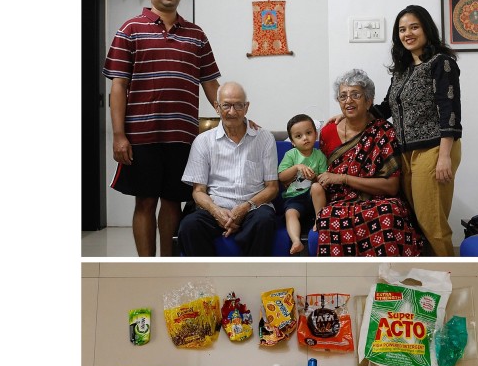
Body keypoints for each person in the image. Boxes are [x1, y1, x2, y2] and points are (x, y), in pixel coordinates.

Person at [103, 0, 221, 256]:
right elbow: (118, 87)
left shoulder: (196, 34)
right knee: (144, 201)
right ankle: (146, 265)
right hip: (141, 135)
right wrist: (119, 135)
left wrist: (234, 115)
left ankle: (167, 263)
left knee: (173, 201)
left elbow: (210, 83)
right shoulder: (130, 29)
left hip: (182, 137)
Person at [375, 5, 463, 256]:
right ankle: (426, 277)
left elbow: (450, 109)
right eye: (402, 29)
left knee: (432, 221)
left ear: (426, 29)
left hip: (435, 149)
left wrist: (444, 155)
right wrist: (350, 113)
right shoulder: (401, 71)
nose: (408, 33)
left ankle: (449, 274)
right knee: (414, 220)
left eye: (414, 27)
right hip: (406, 154)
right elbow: (385, 108)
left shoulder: (441, 63)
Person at [314, 69, 423, 257]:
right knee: (329, 216)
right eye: (343, 96)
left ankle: (390, 279)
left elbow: (391, 187)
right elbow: (321, 174)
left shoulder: (385, 132)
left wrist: (343, 178)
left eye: (355, 95)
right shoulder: (327, 132)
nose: (348, 100)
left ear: (369, 100)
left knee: (388, 212)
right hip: (339, 201)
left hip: (378, 199)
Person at [178, 82, 279, 256]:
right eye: (226, 105)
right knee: (189, 226)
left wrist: (245, 207)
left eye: (238, 105)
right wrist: (216, 211)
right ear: (217, 107)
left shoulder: (264, 138)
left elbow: (272, 187)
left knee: (264, 220)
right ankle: (207, 281)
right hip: (215, 207)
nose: (232, 112)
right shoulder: (203, 141)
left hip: (253, 207)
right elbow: (198, 191)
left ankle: (253, 280)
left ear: (246, 107)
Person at [277, 114, 327, 255]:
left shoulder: (320, 155)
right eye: (299, 136)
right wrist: (296, 167)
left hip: (313, 198)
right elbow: (281, 177)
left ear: (315, 134)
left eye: (309, 133)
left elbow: (324, 180)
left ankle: (319, 220)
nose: (305, 138)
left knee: (317, 187)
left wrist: (315, 178)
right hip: (294, 198)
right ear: (292, 141)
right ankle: (296, 241)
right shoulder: (291, 155)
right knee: (290, 213)